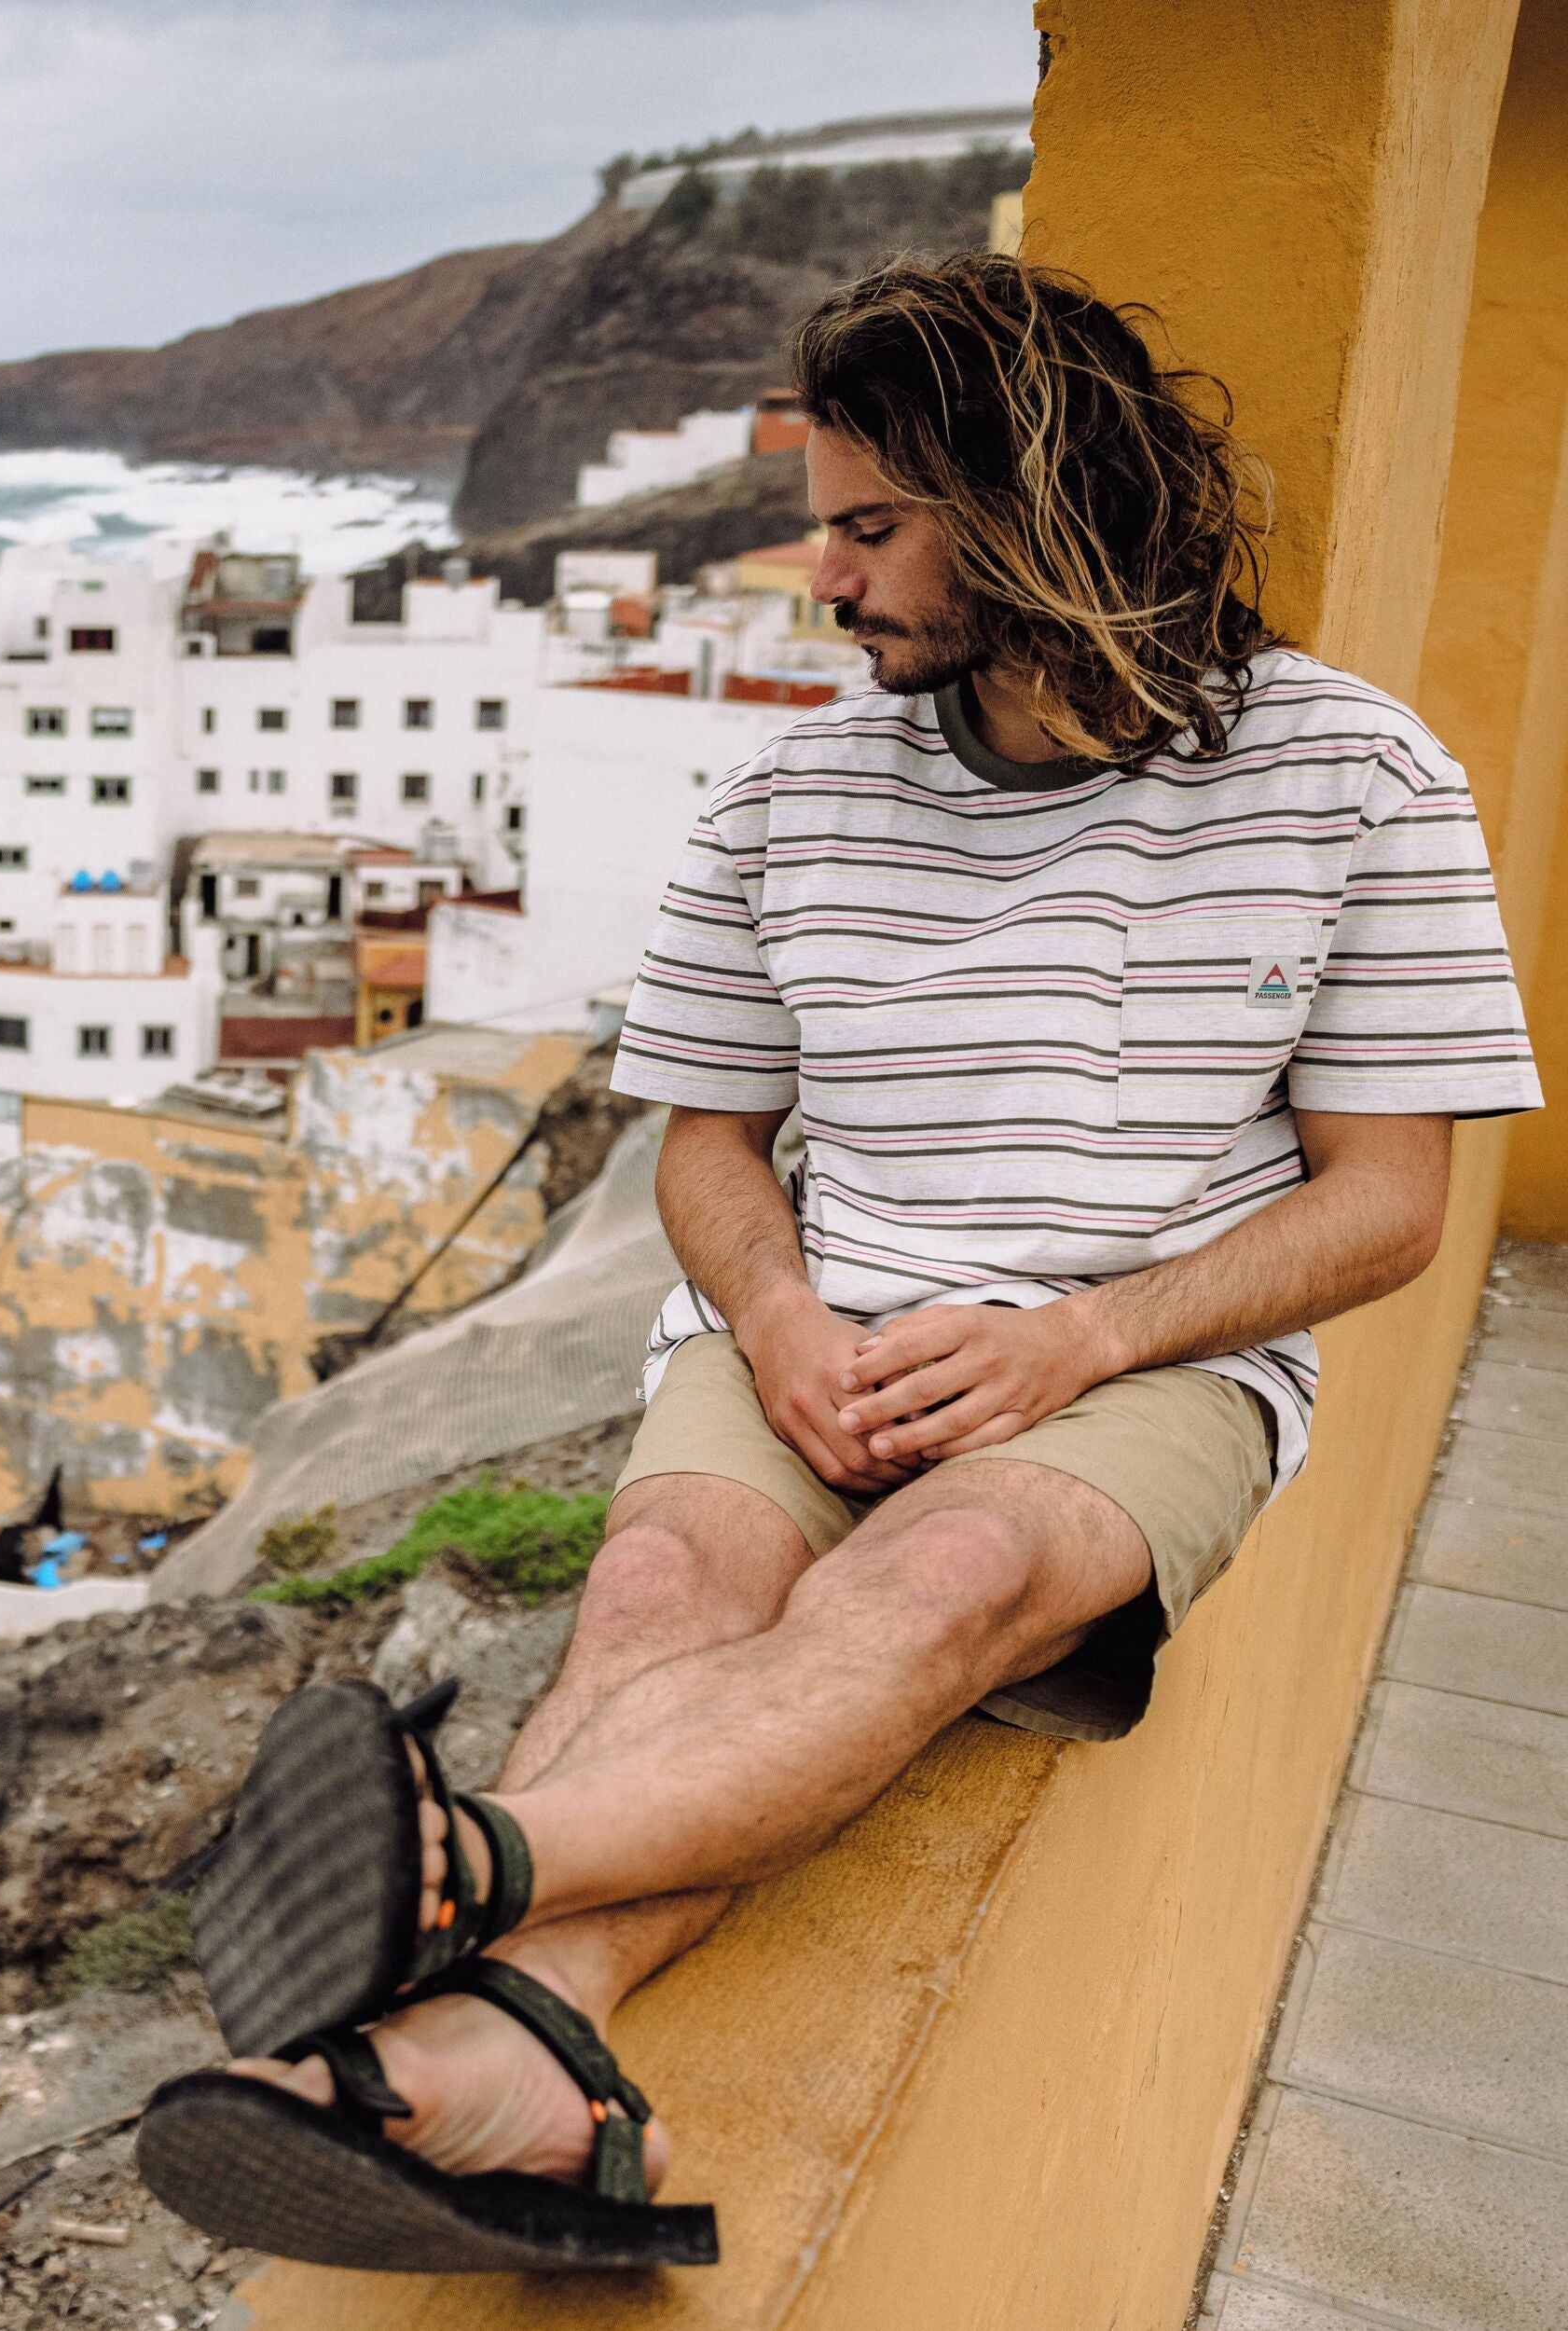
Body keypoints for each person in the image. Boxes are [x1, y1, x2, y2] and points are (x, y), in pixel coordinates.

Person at [197, 254, 1540, 2244]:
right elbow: (711, 1144)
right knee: (656, 1580)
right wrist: (776, 1314)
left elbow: (1386, 1204)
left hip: (1149, 1363)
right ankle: (535, 2067)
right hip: (812, 1323)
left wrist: (1079, 1340)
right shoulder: (789, 792)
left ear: (1039, 503)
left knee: (943, 1575)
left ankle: (462, 1869)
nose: (822, 579)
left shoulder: (1353, 777)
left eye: (871, 528)